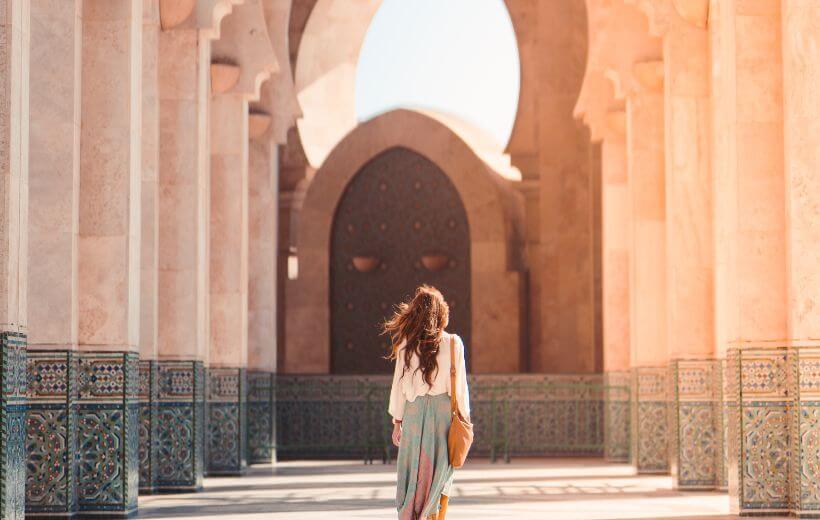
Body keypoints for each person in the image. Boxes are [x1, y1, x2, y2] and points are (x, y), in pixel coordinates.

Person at [385, 285, 470, 520]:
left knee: (414, 473)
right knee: (439, 474)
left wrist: (397, 422)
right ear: (441, 313)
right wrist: (464, 419)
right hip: (443, 417)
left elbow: (398, 387)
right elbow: (460, 387)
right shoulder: (454, 343)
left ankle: (410, 515)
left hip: (412, 416)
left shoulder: (405, 345)